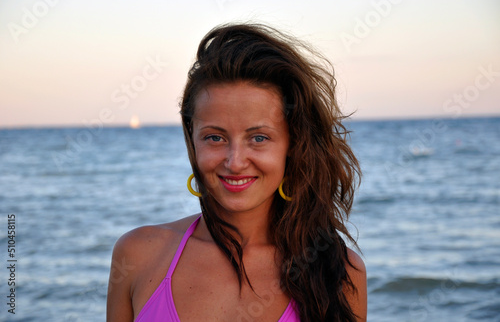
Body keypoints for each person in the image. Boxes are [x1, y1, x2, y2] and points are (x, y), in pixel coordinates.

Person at [107, 23, 367, 322]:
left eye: (258, 138)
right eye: (215, 137)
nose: (235, 161)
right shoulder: (139, 254)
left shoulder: (339, 273)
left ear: (292, 145)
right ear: (192, 140)